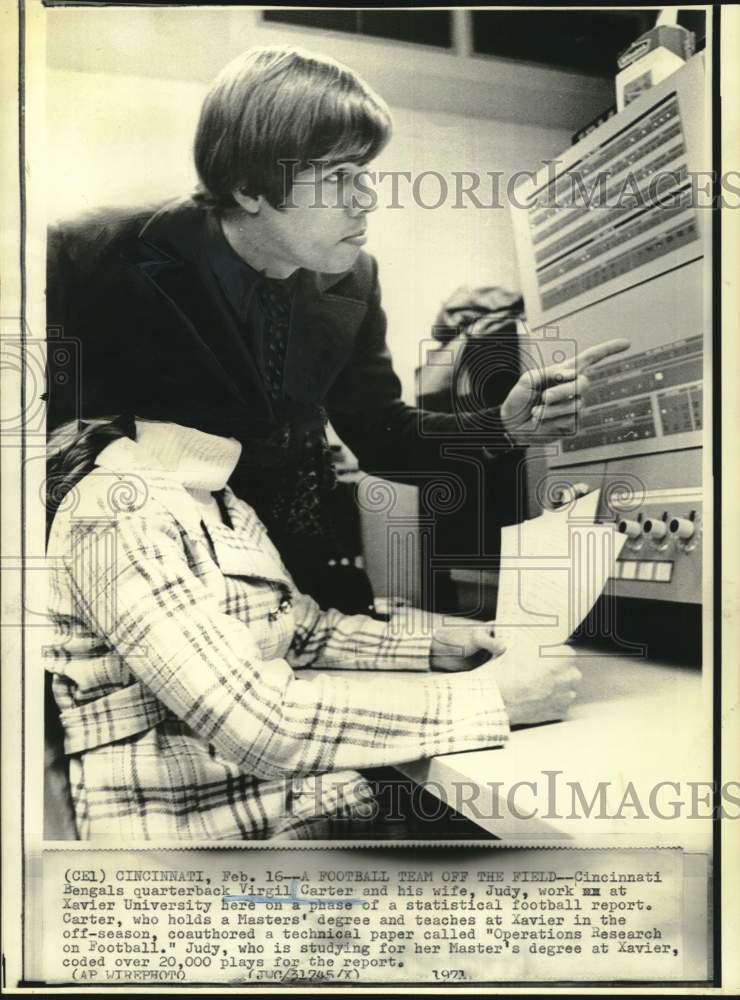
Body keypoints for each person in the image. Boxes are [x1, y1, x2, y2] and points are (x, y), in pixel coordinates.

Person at [46, 44, 630, 600]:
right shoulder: (89, 253)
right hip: (127, 583)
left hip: (286, 585)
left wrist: (503, 428)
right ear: (250, 186)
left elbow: (381, 434)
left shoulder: (353, 279)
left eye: (366, 173)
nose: (367, 199)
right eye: (338, 177)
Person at [45, 415, 582, 841]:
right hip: (188, 837)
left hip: (266, 808)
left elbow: (301, 629)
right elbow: (263, 725)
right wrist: (492, 700)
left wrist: (434, 646)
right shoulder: (118, 507)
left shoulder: (217, 498)